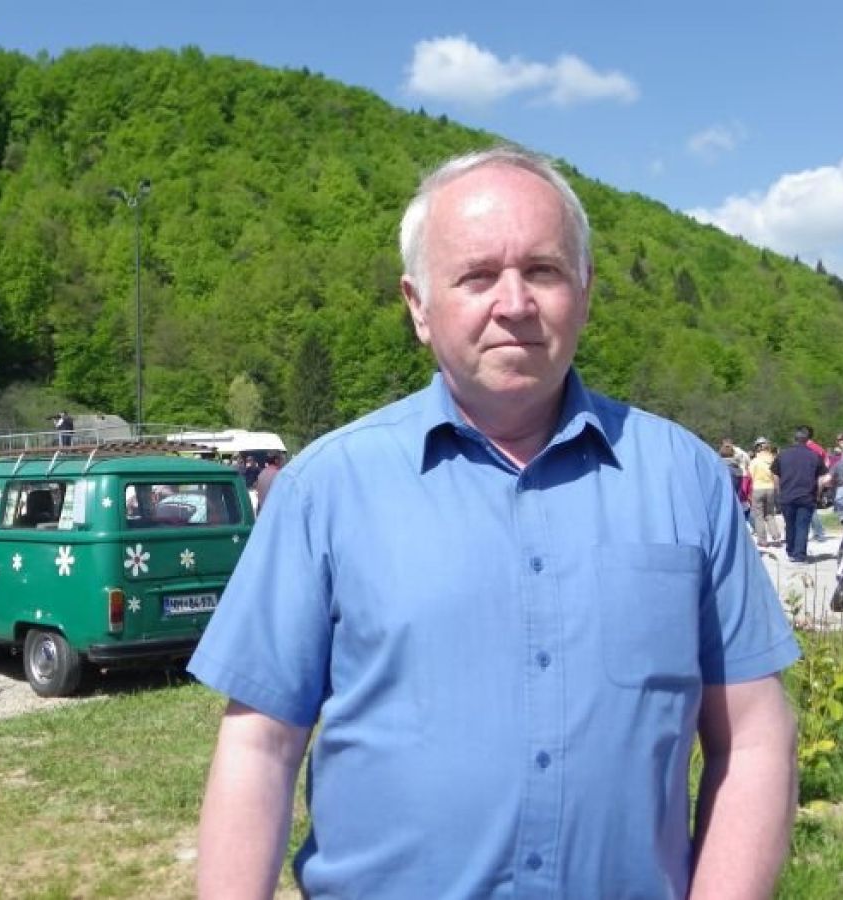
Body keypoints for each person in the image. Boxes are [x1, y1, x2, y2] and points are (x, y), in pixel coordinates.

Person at [190, 146, 800, 899]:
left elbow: (754, 738)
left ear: (585, 289)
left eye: (543, 270)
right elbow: (259, 747)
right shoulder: (326, 488)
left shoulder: (686, 479)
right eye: (477, 276)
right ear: (418, 305)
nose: (514, 302)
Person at [771, 426, 828, 563]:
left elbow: (775, 475)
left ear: (794, 439)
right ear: (807, 440)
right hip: (807, 495)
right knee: (802, 525)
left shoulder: (783, 455)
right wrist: (818, 494)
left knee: (790, 524)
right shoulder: (814, 456)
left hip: (787, 494)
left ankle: (791, 551)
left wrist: (778, 491)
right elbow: (821, 478)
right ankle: (799, 555)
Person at [748, 437, 782, 548]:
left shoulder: (755, 461)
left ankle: (762, 540)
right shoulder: (773, 460)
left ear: (757, 448)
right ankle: (776, 537)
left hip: (758, 488)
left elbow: (750, 476)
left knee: (759, 516)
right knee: (770, 514)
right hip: (770, 488)